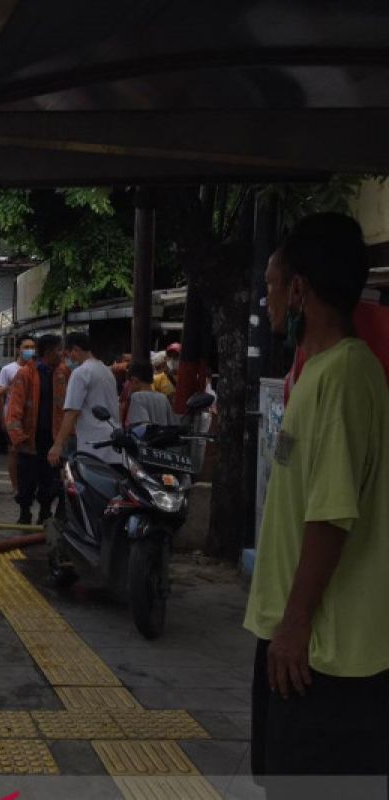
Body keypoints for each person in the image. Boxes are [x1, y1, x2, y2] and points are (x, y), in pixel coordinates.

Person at [244, 213, 389, 784]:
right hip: (300, 643)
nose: (268, 298)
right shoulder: (320, 371)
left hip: (324, 656)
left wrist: (295, 624)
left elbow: (331, 515)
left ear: (300, 289)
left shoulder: (346, 376)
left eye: (273, 285)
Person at [6, 335, 67, 524]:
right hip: (29, 438)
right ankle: (25, 512)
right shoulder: (26, 374)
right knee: (27, 479)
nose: (62, 353)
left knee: (50, 479)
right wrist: (18, 436)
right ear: (48, 352)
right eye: (58, 350)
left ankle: (45, 512)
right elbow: (14, 407)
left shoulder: (63, 373)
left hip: (52, 437)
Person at [47, 332, 122, 466]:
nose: (68, 358)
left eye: (67, 354)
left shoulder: (81, 372)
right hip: (114, 442)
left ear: (75, 349)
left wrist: (58, 445)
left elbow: (72, 412)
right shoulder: (106, 371)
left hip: (93, 444)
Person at [0, 338, 36, 493]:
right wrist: (2, 418)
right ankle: (15, 485)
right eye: (26, 347)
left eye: (32, 347)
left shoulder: (36, 369)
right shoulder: (8, 370)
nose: (30, 350)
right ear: (18, 349)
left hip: (32, 419)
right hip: (13, 417)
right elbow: (0, 396)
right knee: (13, 451)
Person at [124, 361, 175, 427]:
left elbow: (139, 427)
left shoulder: (137, 397)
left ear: (135, 380)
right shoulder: (163, 398)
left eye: (130, 382)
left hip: (148, 437)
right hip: (164, 436)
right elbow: (172, 424)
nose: (129, 386)